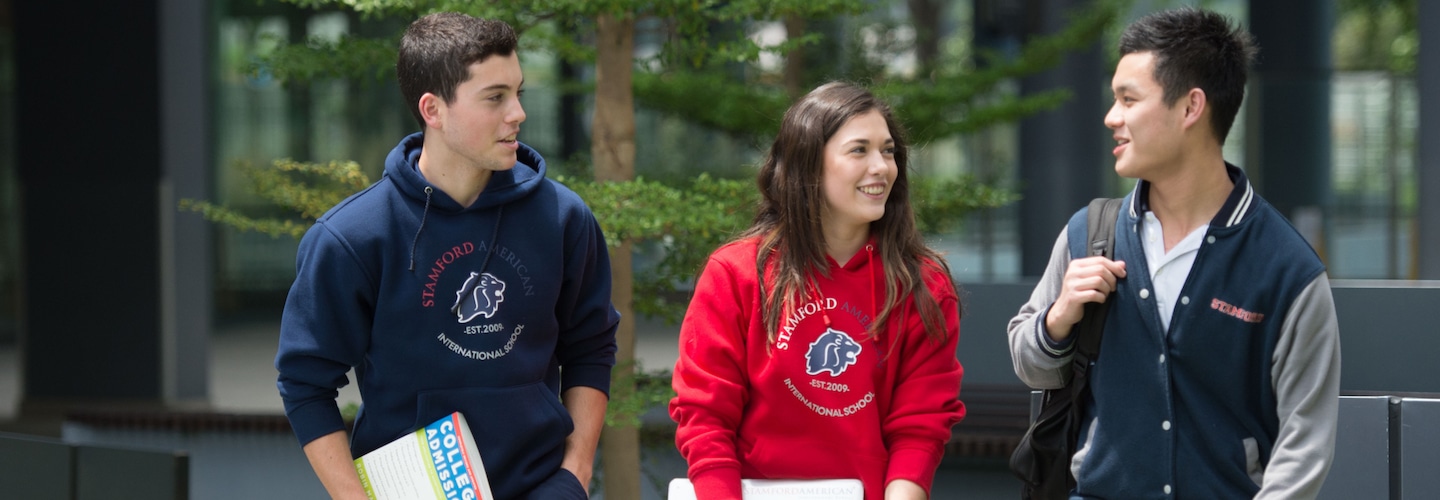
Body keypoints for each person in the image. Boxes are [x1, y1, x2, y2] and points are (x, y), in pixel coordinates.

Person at [275, 12, 619, 500]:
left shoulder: (563, 218)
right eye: (495, 97)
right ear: (433, 110)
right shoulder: (353, 237)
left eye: (519, 92)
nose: (517, 113)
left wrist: (575, 472)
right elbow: (304, 383)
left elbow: (591, 347)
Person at [1007, 7, 1341, 499]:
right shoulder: (1089, 233)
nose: (1111, 117)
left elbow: (1305, 444)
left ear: (1190, 108)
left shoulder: (1287, 268)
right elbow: (1031, 366)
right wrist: (1058, 319)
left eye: (1128, 99)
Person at [669, 81, 966, 500]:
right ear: (809, 165)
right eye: (859, 150)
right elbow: (705, 416)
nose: (882, 167)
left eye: (888, 150)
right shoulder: (736, 273)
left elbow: (920, 427)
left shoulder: (923, 284)